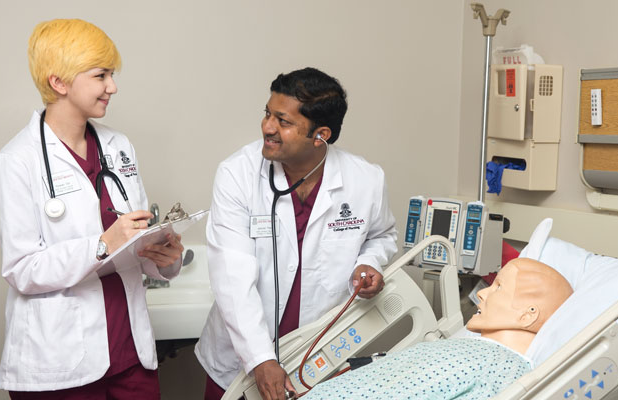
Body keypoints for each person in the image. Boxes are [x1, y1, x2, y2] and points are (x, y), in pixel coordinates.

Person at [0, 19, 184, 399]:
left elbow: (132, 245)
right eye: (101, 75)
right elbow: (21, 268)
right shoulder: (16, 162)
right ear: (58, 82)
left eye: (111, 74)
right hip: (60, 363)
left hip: (130, 354)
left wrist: (162, 257)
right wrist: (101, 244)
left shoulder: (118, 146)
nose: (113, 86)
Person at [195, 67, 398, 400]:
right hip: (240, 360)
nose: (268, 128)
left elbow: (382, 236)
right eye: (267, 114)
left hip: (318, 356)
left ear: (321, 135)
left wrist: (369, 263)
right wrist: (260, 358)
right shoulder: (238, 174)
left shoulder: (366, 180)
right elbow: (231, 276)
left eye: (284, 122)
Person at [303, 257, 574, 399]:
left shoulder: (503, 371)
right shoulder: (468, 350)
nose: (482, 294)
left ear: (528, 316)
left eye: (499, 287)